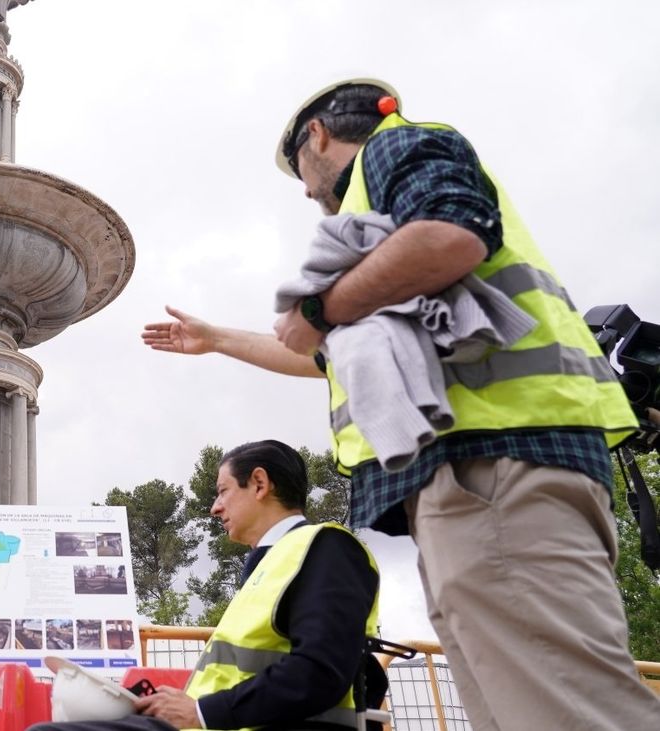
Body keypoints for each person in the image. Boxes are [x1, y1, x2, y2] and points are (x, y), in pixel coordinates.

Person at [142, 79, 660, 728]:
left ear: (319, 137)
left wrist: (319, 306)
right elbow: (320, 355)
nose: (306, 192)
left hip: (494, 469)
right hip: (485, 480)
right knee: (523, 706)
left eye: (300, 170)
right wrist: (219, 340)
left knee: (567, 708)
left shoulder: (397, 149)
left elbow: (451, 234)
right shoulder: (386, 260)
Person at [33, 439, 379, 731]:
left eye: (223, 491)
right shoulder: (272, 564)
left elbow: (320, 672)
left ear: (259, 483)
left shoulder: (326, 548)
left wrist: (200, 711)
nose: (215, 508)